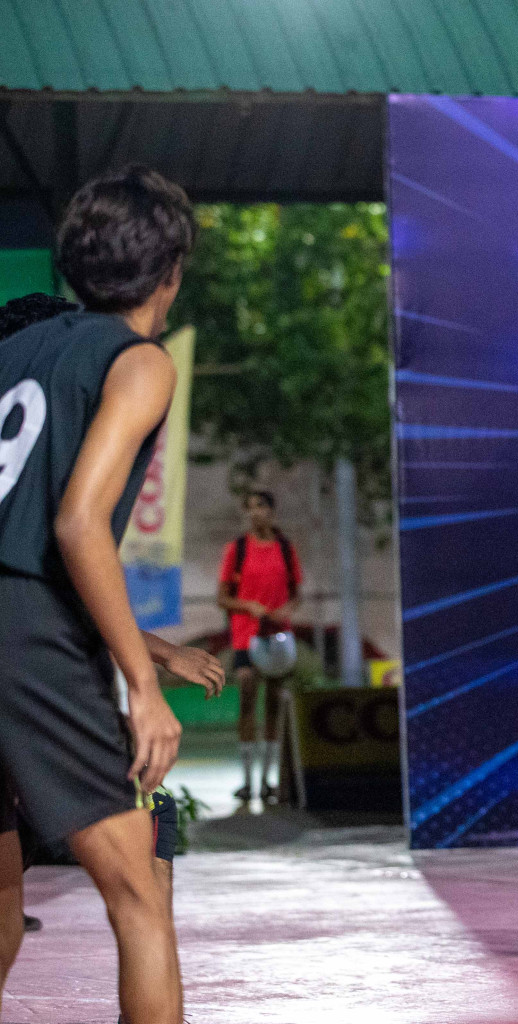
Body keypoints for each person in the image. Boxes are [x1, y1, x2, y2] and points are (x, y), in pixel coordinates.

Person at [0, 165, 206, 1024]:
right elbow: (77, 524)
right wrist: (144, 686)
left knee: (2, 882)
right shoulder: (139, 361)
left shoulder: (14, 350)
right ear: (173, 271)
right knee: (140, 893)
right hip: (29, 640)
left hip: (16, 628)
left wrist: (149, 648)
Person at [216, 490, 302, 802]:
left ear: (272, 512)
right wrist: (248, 606)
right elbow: (222, 597)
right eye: (250, 508)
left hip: (278, 635)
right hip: (245, 634)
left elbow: (296, 592)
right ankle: (247, 779)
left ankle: (269, 780)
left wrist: (287, 610)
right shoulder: (236, 549)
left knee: (274, 704)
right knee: (247, 692)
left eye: (261, 507)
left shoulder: (284, 548)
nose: (256, 513)